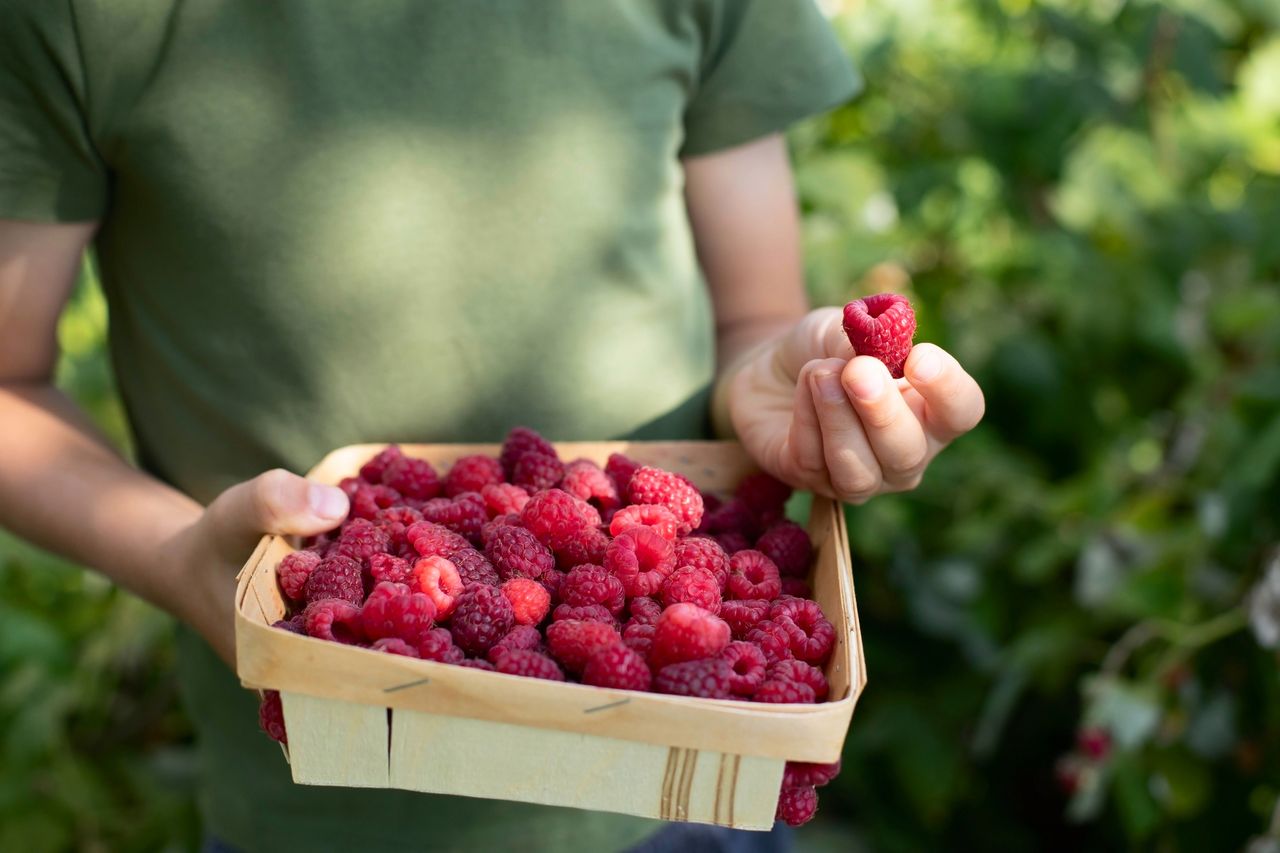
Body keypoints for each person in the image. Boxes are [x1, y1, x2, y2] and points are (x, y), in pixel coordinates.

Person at [0, 1, 984, 851]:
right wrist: (174, 555)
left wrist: (786, 384)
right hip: (325, 802)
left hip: (686, 767)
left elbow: (753, 314)